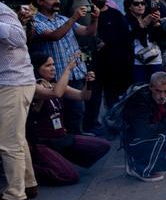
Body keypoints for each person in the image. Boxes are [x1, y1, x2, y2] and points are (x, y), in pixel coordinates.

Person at [28, 52, 111, 185]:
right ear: (37, 68)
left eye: (53, 64)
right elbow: (56, 93)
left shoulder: (55, 84)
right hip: (43, 142)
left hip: (60, 138)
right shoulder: (34, 87)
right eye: (48, 65)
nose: (53, 68)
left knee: (102, 145)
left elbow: (83, 96)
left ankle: (60, 160)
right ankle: (30, 170)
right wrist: (68, 69)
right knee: (70, 177)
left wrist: (88, 84)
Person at [32, 0, 99, 135]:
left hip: (75, 73)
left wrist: (95, 19)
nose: (57, 1)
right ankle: (70, 144)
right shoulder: (35, 22)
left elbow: (88, 32)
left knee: (77, 111)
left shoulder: (63, 18)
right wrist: (74, 17)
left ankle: (77, 139)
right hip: (56, 77)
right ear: (40, 1)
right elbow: (54, 36)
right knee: (58, 114)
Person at [0, 0, 39, 200]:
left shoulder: (4, 12)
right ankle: (28, 183)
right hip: (12, 82)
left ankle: (15, 195)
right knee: (16, 138)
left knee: (8, 142)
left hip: (13, 83)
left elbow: (17, 38)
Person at [121, 71, 166, 182]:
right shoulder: (139, 101)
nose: (162, 96)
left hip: (156, 137)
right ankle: (139, 168)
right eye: (158, 91)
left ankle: (152, 160)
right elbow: (143, 132)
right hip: (135, 141)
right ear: (151, 88)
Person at [123, 0, 164, 84]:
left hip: (155, 58)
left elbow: (161, 38)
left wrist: (157, 24)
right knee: (140, 88)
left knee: (158, 85)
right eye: (136, 4)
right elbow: (128, 38)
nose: (140, 6)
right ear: (129, 7)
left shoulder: (149, 17)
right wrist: (144, 24)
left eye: (142, 3)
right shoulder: (124, 21)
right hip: (136, 61)